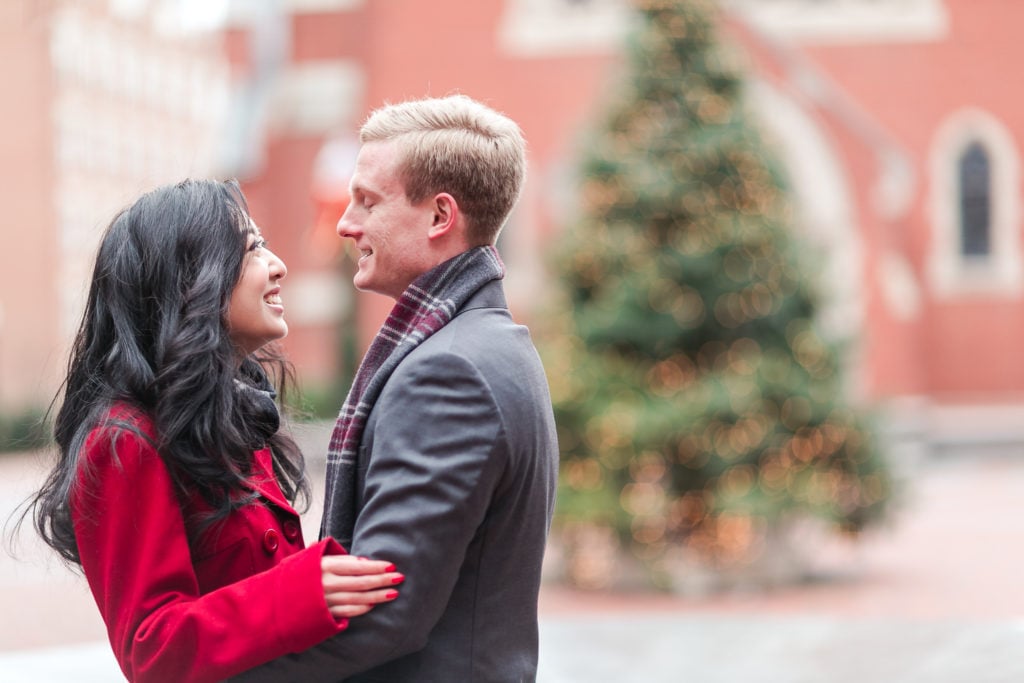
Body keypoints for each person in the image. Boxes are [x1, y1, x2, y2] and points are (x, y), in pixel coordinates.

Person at [24, 179, 404, 683]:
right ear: (190, 281)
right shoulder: (123, 439)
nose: (278, 266)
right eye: (251, 250)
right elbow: (150, 649)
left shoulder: (229, 416)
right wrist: (302, 593)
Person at [236, 95, 560, 682]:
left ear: (440, 217)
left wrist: (217, 670)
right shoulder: (496, 345)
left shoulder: (448, 372)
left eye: (368, 201)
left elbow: (385, 611)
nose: (345, 223)